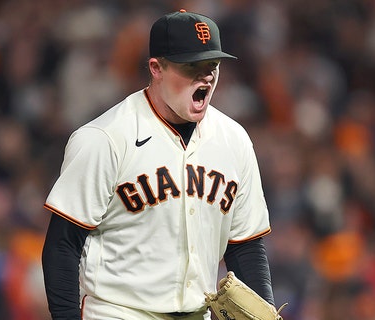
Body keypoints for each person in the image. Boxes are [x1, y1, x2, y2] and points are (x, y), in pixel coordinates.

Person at [42, 9, 275, 319]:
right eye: (191, 65)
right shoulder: (106, 138)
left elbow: (245, 246)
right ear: (156, 68)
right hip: (119, 312)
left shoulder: (234, 140)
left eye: (212, 65)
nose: (205, 75)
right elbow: (62, 246)